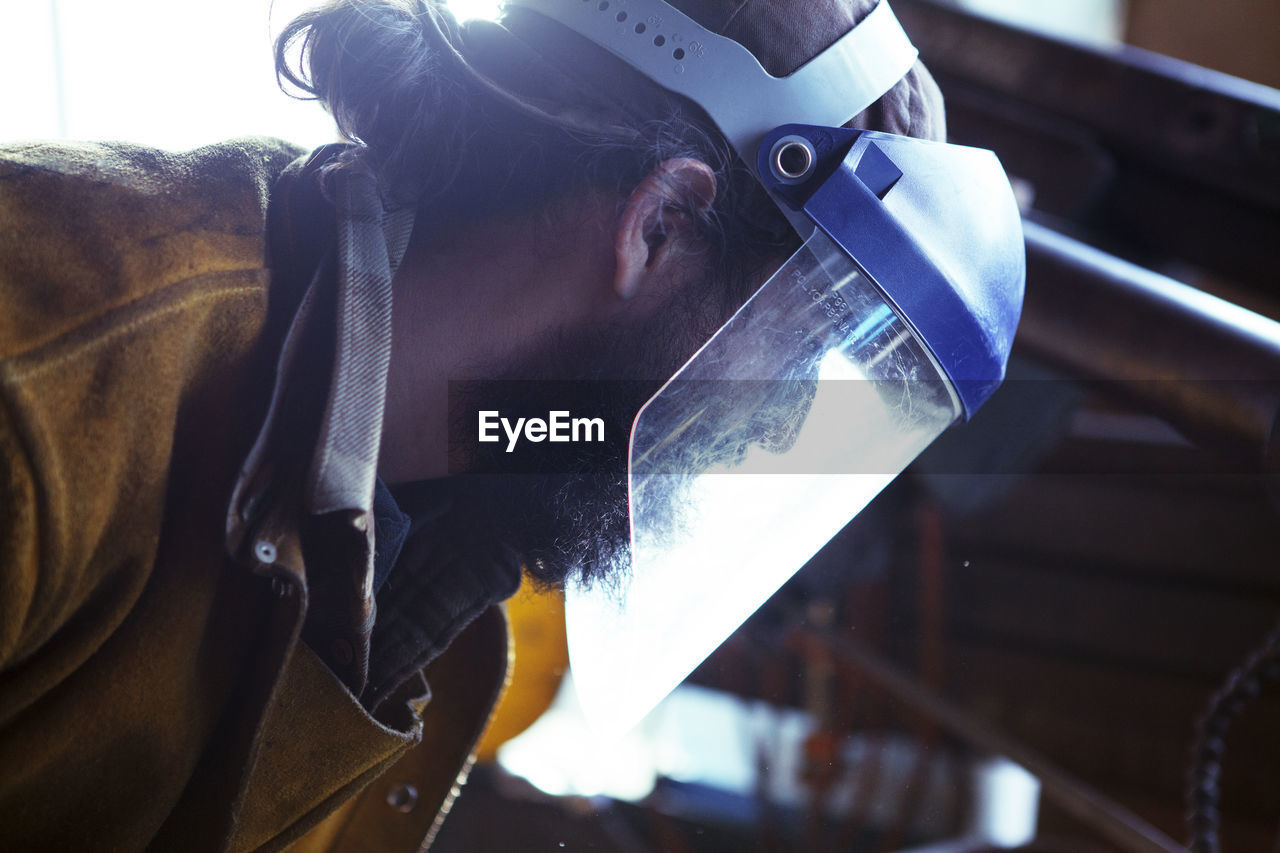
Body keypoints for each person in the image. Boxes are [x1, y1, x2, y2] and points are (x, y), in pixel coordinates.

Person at [0, 0, 947, 848]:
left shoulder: (427, 593)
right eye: (786, 358)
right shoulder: (48, 389)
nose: (777, 431)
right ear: (657, 226)